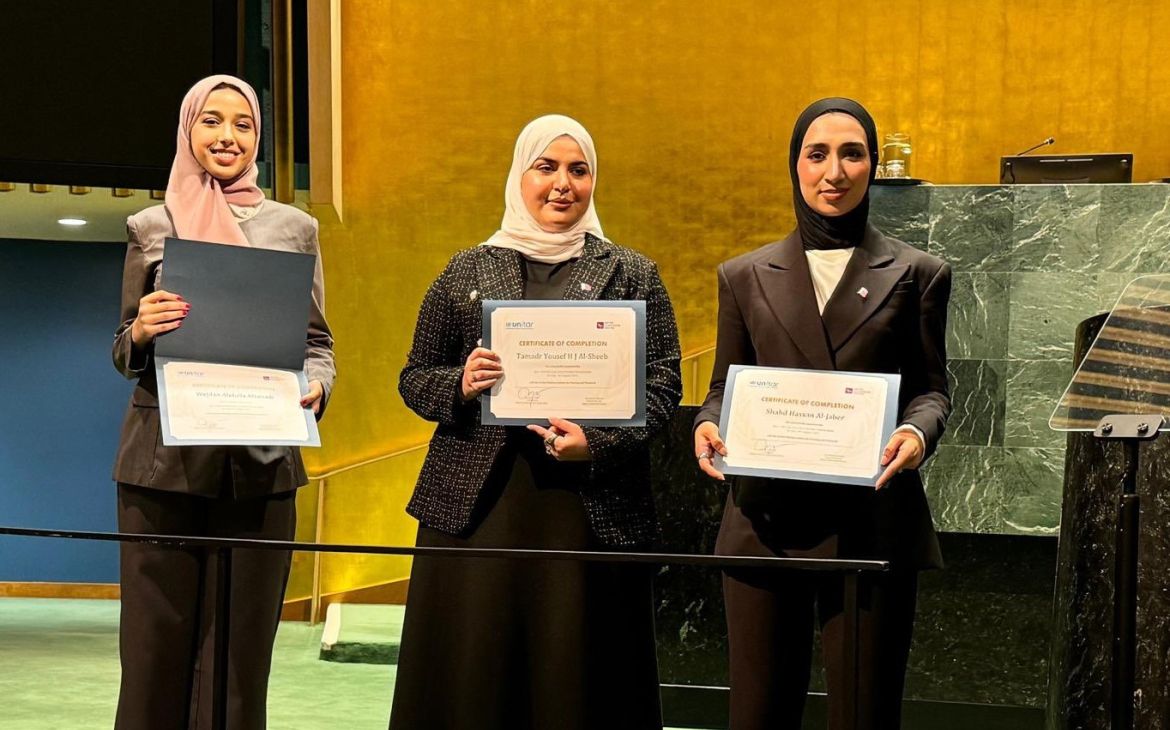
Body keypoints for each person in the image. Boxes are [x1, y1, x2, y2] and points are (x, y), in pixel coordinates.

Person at [390, 114, 682, 730]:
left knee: (576, 674)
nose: (562, 184)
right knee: (474, 670)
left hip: (585, 506)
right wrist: (462, 384)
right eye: (545, 167)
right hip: (480, 509)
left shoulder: (634, 273)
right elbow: (415, 376)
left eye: (578, 170)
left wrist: (596, 444)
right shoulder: (465, 269)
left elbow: (661, 387)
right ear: (519, 174)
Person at [693, 98, 951, 730]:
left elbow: (932, 390)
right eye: (817, 154)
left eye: (852, 153)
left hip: (871, 518)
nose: (834, 171)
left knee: (865, 712)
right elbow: (725, 383)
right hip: (764, 521)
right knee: (757, 712)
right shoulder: (744, 275)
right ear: (795, 165)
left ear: (871, 167)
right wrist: (708, 422)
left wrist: (917, 432)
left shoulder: (919, 273)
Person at [110, 74, 335, 730]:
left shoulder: (295, 228)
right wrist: (143, 330)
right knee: (154, 655)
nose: (227, 136)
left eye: (242, 123)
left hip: (261, 466)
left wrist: (317, 387)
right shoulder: (151, 224)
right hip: (159, 471)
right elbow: (123, 350)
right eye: (212, 121)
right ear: (189, 130)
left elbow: (317, 343)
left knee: (240, 661)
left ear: (257, 137)